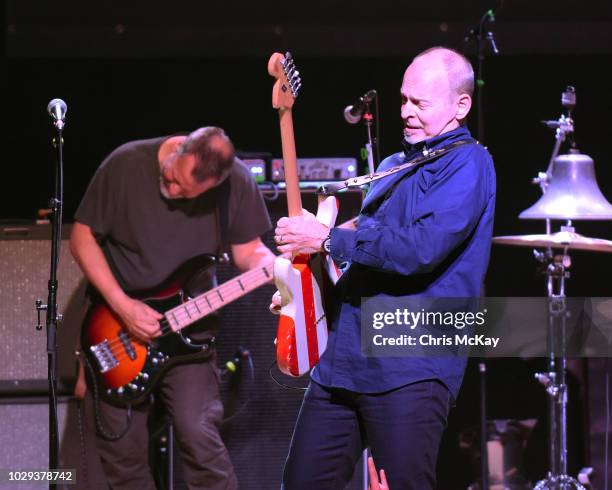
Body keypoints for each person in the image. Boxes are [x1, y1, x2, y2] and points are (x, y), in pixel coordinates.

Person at [273, 47, 496, 489]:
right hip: (342, 362)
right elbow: (362, 258)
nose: (406, 112)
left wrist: (326, 238)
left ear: (461, 106)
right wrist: (306, 290)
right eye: (403, 99)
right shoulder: (394, 165)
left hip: (410, 368)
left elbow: (420, 250)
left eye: (420, 103)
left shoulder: (471, 164)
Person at [70, 126, 275, 489]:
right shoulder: (125, 164)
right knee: (123, 454)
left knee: (200, 439)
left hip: (191, 334)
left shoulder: (237, 183)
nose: (175, 191)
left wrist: (275, 269)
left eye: (187, 192)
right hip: (117, 325)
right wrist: (124, 306)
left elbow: (249, 251)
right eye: (172, 179)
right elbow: (82, 238)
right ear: (179, 148)